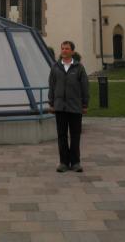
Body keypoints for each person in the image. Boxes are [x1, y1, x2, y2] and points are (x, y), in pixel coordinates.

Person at [48, 40, 89, 173]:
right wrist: (51, 103)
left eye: (67, 49)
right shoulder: (55, 67)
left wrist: (85, 104)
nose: (64, 51)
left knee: (75, 136)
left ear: (72, 51)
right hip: (60, 107)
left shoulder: (79, 68)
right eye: (62, 48)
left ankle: (76, 162)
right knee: (62, 136)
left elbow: (85, 87)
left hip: (75, 107)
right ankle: (63, 163)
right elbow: (52, 86)